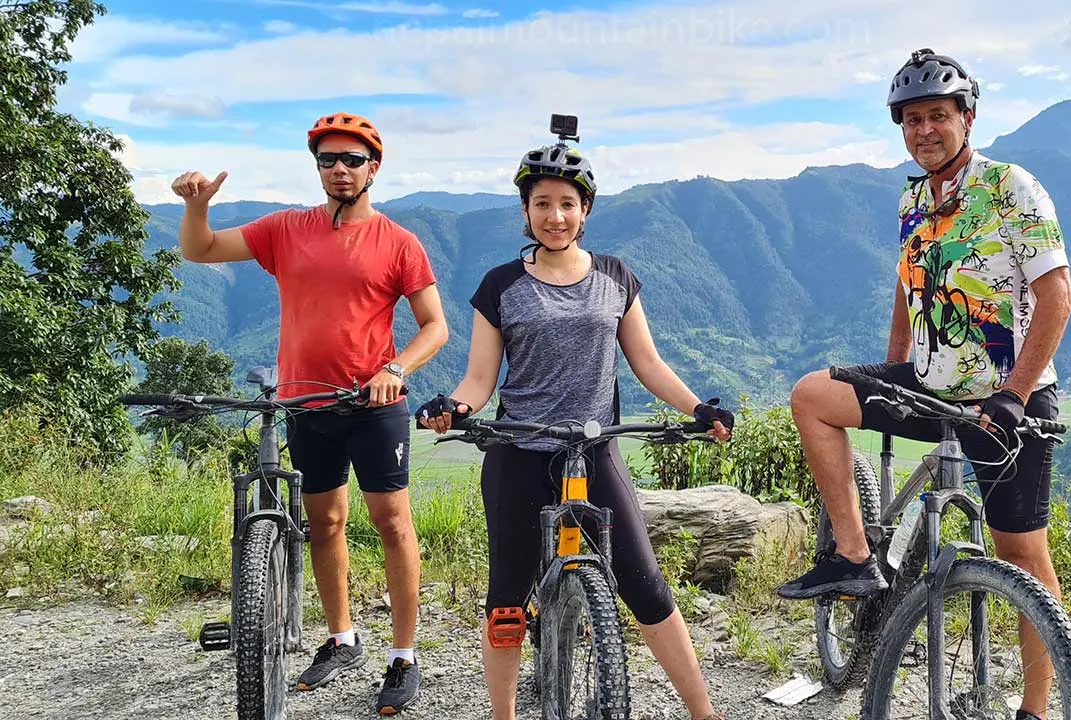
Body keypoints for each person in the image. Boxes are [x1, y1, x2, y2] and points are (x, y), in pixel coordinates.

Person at [777, 49, 1071, 720]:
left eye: (938, 115)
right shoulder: (913, 198)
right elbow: (905, 285)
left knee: (1022, 554)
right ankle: (854, 554)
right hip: (925, 382)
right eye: (912, 120)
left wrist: (1014, 393)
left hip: (1006, 397)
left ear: (967, 116)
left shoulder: (1011, 187)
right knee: (811, 396)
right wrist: (888, 370)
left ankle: (1035, 708)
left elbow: (1057, 297)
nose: (925, 130)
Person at [416, 128, 733, 720]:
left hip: (594, 449)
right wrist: (453, 408)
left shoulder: (615, 277)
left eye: (567, 203)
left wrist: (699, 408)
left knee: (645, 585)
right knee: (507, 598)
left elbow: (648, 363)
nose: (555, 216)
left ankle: (703, 713)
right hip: (518, 452)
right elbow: (479, 379)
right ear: (525, 211)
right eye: (542, 203)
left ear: (585, 210)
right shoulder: (501, 285)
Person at [170, 112, 448, 715]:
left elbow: (436, 327)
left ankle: (404, 654)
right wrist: (196, 206)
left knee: (392, 523)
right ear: (317, 167)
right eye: (329, 160)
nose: (340, 169)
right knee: (324, 522)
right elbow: (200, 249)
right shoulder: (285, 229)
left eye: (353, 160)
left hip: (374, 405)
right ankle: (342, 639)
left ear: (374, 168)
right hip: (304, 401)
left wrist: (395, 369)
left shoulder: (399, 242)